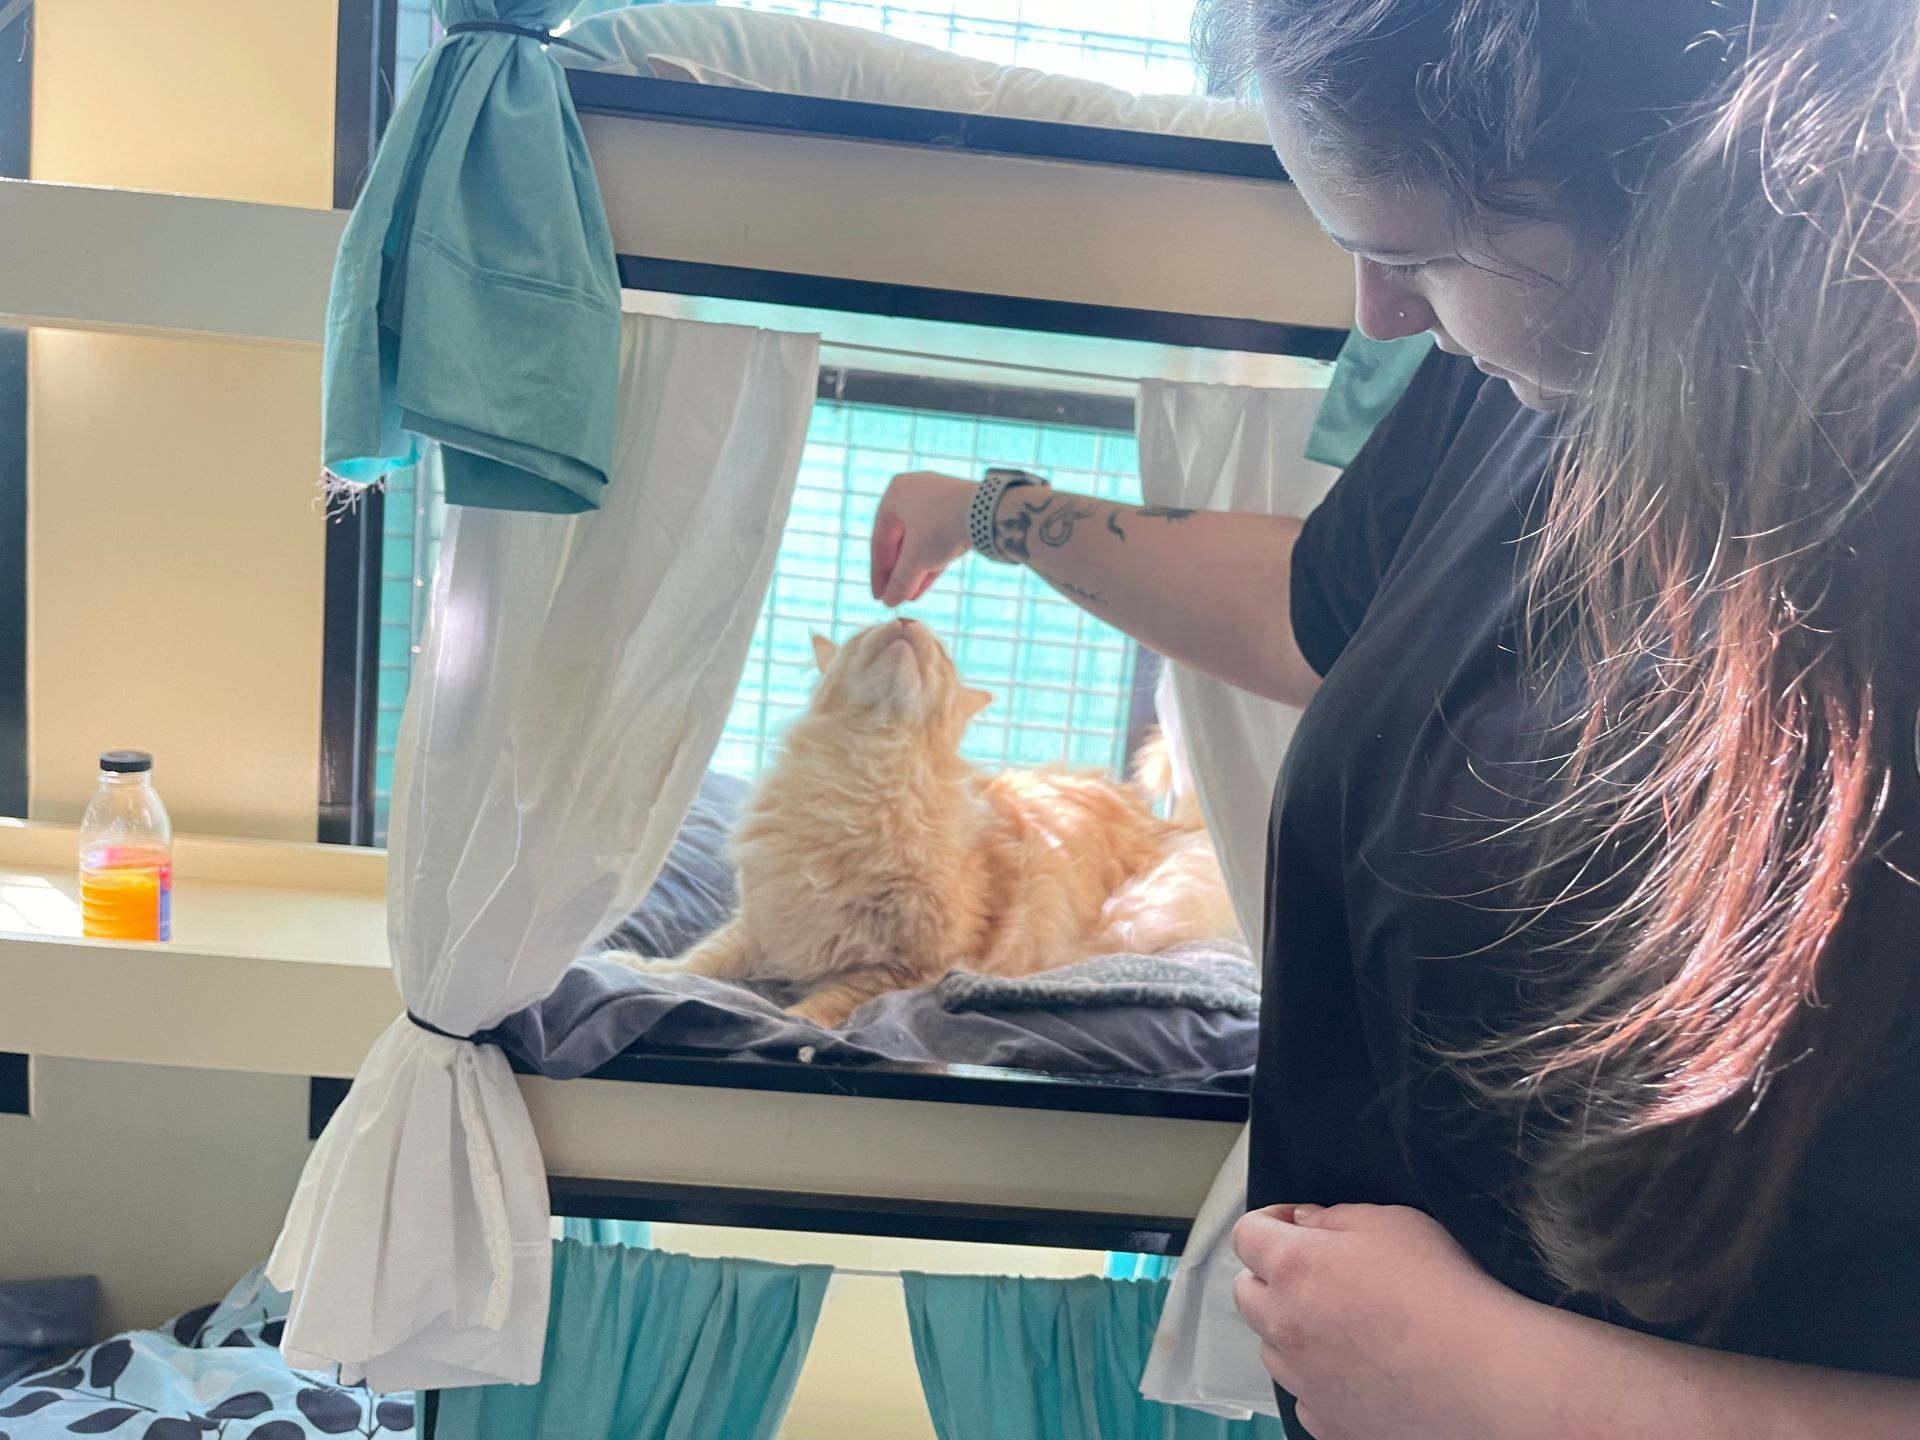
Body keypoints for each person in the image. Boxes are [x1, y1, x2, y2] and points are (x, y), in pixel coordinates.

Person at [866, 1, 1920, 1435]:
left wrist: (1525, 1388)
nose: (1378, 311)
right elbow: (1313, 613)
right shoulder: (1525, 375)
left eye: (1416, 252)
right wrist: (1001, 514)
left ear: (1697, 184)